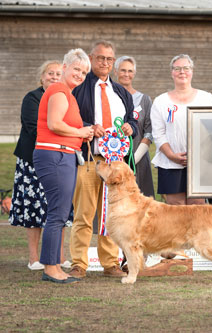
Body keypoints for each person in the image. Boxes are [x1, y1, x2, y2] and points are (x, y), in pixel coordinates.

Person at [69, 40, 138, 279]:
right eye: (100, 58)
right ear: (91, 58)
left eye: (109, 59)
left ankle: (110, 264)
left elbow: (132, 120)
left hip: (116, 164)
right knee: (84, 213)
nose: (105, 63)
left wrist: (131, 127)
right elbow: (71, 120)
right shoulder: (79, 89)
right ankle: (78, 263)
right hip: (89, 159)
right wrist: (89, 127)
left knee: (112, 214)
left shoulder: (120, 92)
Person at [33, 48, 94, 283]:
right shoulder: (58, 90)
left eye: (84, 71)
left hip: (63, 155)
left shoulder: (68, 94)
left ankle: (55, 265)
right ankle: (51, 268)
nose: (80, 74)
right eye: (77, 69)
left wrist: (82, 134)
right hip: (55, 156)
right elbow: (55, 124)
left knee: (59, 213)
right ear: (65, 67)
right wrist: (80, 131)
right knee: (57, 213)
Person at [9, 60, 75, 270]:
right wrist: (61, 137)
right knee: (34, 210)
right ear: (42, 76)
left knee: (60, 208)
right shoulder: (32, 98)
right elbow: (35, 127)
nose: (54, 77)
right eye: (50, 73)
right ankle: (33, 258)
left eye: (58, 73)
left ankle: (60, 256)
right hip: (33, 161)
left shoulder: (65, 96)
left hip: (59, 159)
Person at [151, 54, 212, 205]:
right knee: (176, 208)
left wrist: (199, 155)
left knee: (197, 208)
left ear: (192, 71)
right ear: (171, 72)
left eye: (186, 68)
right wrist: (172, 155)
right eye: (177, 68)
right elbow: (158, 134)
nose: (182, 72)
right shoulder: (161, 101)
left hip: (200, 162)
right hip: (170, 163)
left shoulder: (207, 98)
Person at [114, 56, 154, 197]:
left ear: (134, 73)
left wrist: (133, 159)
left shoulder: (144, 100)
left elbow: (149, 132)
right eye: (123, 70)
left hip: (138, 160)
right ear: (115, 72)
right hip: (112, 158)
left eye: (130, 71)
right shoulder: (107, 97)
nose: (126, 74)